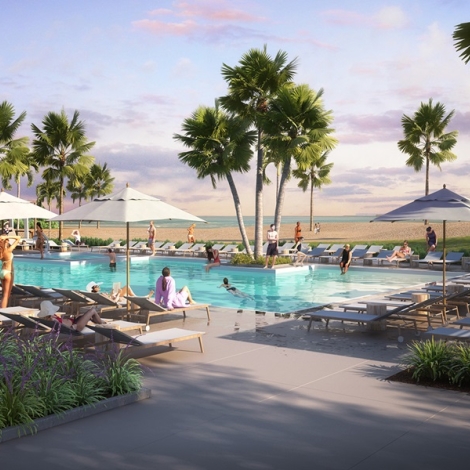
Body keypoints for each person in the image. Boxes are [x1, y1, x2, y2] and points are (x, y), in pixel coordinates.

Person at [37, 300, 107, 332]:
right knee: (92, 310)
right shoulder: (53, 320)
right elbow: (62, 327)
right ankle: (103, 324)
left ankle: (101, 323)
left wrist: (71, 318)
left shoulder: (50, 317)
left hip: (74, 321)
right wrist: (72, 327)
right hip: (76, 326)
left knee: (89, 316)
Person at [0, 235, 21, 308]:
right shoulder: (8, 250)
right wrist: (6, 237)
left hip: (2, 272)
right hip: (8, 273)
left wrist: (4, 238)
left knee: (5, 295)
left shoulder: (1, 252)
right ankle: (2, 312)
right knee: (5, 296)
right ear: (6, 241)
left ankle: (3, 308)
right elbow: (18, 238)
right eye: (8, 240)